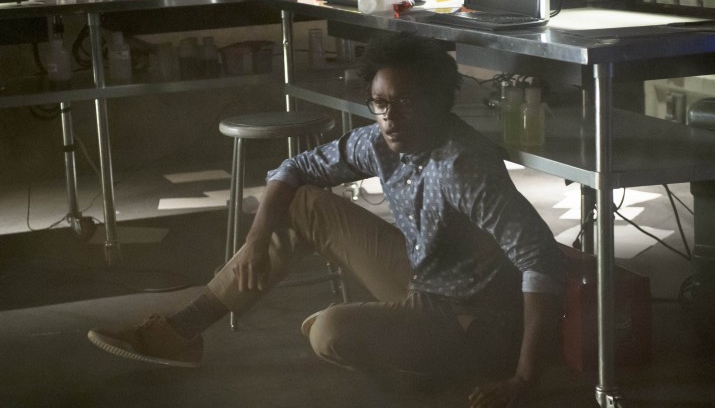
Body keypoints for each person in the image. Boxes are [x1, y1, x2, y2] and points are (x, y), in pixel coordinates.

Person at [87, 32, 566, 408]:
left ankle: (436, 366)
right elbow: (292, 170)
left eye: (405, 102)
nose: (390, 117)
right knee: (303, 203)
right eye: (380, 103)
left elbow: (540, 258)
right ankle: (181, 331)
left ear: (439, 101)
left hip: (477, 320)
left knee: (328, 333)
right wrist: (256, 241)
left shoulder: (464, 167)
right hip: (426, 281)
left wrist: (524, 379)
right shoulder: (380, 141)